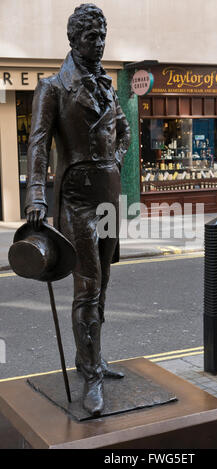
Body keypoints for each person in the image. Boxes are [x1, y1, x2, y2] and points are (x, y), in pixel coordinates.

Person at [25, 3, 130, 416]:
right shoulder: (54, 87)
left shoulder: (106, 84)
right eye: (91, 37)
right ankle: (90, 374)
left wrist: (117, 159)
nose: (99, 43)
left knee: (102, 283)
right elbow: (37, 142)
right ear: (73, 40)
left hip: (108, 197)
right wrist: (36, 194)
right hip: (78, 201)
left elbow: (122, 129)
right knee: (86, 286)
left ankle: (96, 358)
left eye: (103, 36)